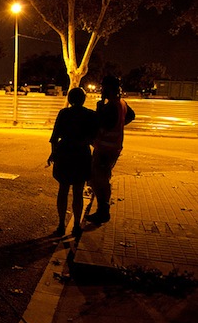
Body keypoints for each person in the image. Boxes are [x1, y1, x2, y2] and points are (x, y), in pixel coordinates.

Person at [47, 87, 98, 237]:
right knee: (78, 191)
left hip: (64, 153)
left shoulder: (64, 113)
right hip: (81, 154)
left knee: (63, 190)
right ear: (83, 99)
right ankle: (76, 225)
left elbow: (54, 138)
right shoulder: (90, 115)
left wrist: (54, 153)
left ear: (69, 99)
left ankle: (61, 225)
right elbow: (94, 137)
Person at [86, 76, 135, 225]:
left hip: (105, 149)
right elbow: (131, 116)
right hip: (112, 148)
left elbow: (103, 124)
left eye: (104, 87)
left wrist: (99, 110)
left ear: (109, 88)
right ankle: (102, 210)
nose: (102, 90)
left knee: (99, 180)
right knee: (101, 178)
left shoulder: (111, 106)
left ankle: (103, 211)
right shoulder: (121, 103)